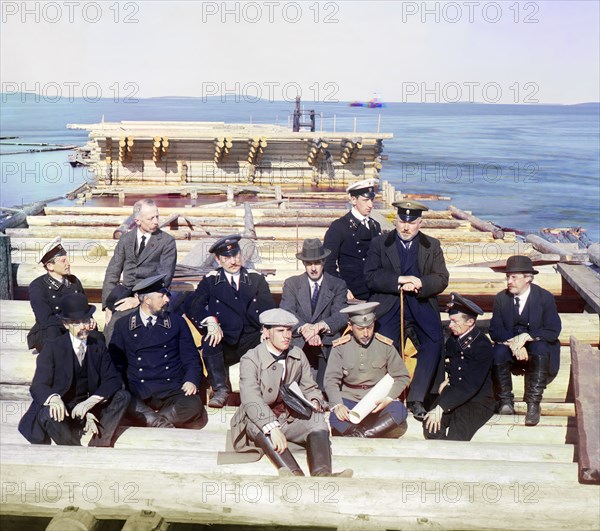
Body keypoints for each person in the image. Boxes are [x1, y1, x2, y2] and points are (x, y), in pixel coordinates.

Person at [230, 308, 353, 477]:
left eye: (289, 330)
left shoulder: (297, 354)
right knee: (262, 427)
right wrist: (272, 428)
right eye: (280, 331)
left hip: (289, 417)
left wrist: (314, 400)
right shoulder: (251, 359)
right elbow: (251, 399)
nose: (287, 335)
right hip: (256, 419)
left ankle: (322, 474)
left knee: (317, 420)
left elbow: (309, 386)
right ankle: (293, 474)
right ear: (266, 332)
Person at [364, 200, 449, 421]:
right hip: (390, 304)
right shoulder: (380, 243)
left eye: (411, 223)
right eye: (402, 221)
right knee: (387, 346)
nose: (405, 227)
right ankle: (389, 397)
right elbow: (371, 277)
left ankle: (417, 398)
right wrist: (400, 280)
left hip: (421, 304)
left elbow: (441, 278)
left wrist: (419, 283)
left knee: (433, 342)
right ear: (396, 221)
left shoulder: (432, 245)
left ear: (420, 223)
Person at [19, 293, 130, 446]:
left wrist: (90, 403)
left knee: (123, 396)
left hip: (89, 408)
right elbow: (38, 385)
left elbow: (113, 379)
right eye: (76, 323)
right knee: (48, 413)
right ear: (66, 325)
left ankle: (99, 444)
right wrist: (54, 398)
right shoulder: (52, 347)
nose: (83, 327)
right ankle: (73, 449)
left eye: (85, 320)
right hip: (64, 410)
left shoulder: (97, 345)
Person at [184, 235, 275, 408]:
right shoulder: (211, 280)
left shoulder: (256, 279)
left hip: (252, 338)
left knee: (271, 343)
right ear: (218, 260)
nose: (233, 261)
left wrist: (267, 328)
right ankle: (220, 389)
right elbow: (193, 305)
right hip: (225, 339)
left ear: (241, 254)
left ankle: (267, 394)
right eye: (227, 258)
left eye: (236, 255)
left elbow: (268, 307)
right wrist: (209, 320)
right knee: (209, 339)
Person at [109, 275, 207, 429]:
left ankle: (151, 421)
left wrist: (191, 380)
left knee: (193, 405)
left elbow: (191, 358)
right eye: (162, 296)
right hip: (139, 390)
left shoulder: (176, 322)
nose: (167, 300)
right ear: (147, 300)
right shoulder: (124, 325)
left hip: (171, 388)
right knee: (123, 401)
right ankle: (156, 421)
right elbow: (116, 363)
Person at [489, 255, 561, 426]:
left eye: (514, 277)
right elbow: (495, 330)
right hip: (511, 348)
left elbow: (553, 330)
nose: (509, 281)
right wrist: (515, 343)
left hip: (537, 346)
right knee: (498, 351)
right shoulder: (501, 298)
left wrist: (528, 337)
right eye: (507, 277)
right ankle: (505, 401)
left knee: (540, 347)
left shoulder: (544, 297)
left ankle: (533, 404)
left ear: (528, 278)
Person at [324, 302, 410, 438]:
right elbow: (330, 380)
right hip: (350, 399)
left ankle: (362, 435)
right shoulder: (340, 347)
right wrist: (338, 404)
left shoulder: (385, 346)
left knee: (400, 411)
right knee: (335, 418)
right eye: (360, 328)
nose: (366, 333)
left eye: (369, 327)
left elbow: (402, 376)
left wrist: (389, 398)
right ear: (350, 326)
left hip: (377, 401)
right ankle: (366, 433)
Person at [423, 293, 494, 441]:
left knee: (457, 436)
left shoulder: (482, 346)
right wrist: (448, 379)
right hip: (455, 391)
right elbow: (455, 368)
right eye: (450, 321)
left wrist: (441, 407)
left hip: (477, 400)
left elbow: (470, 385)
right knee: (430, 425)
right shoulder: (454, 340)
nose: (450, 325)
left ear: (470, 322)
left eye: (455, 321)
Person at [101, 199, 177, 337]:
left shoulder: (167, 242)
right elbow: (113, 272)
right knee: (109, 328)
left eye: (157, 216)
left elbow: (164, 278)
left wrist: (139, 299)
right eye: (151, 218)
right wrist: (107, 305)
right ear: (137, 221)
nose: (156, 221)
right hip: (124, 293)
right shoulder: (126, 239)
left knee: (120, 323)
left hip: (151, 296)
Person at [280, 238, 348, 389]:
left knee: (325, 389)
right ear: (303, 264)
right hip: (298, 341)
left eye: (317, 263)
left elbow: (341, 315)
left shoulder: (337, 284)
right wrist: (306, 329)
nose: (313, 268)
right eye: (309, 263)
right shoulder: (292, 283)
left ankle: (325, 389)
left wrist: (319, 327)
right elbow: (287, 311)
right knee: (293, 389)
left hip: (325, 341)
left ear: (323, 261)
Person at [323, 179, 382, 300]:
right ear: (353, 200)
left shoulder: (375, 226)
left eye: (371, 200)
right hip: (352, 292)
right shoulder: (339, 227)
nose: (370, 205)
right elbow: (327, 265)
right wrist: (340, 288)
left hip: (375, 290)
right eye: (365, 200)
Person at [27, 237, 86, 352]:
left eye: (67, 260)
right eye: (63, 261)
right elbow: (46, 319)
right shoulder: (37, 286)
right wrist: (73, 324)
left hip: (76, 328)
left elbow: (84, 307)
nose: (68, 264)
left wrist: (89, 320)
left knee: (98, 339)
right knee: (55, 336)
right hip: (50, 332)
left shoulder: (74, 281)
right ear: (50, 266)